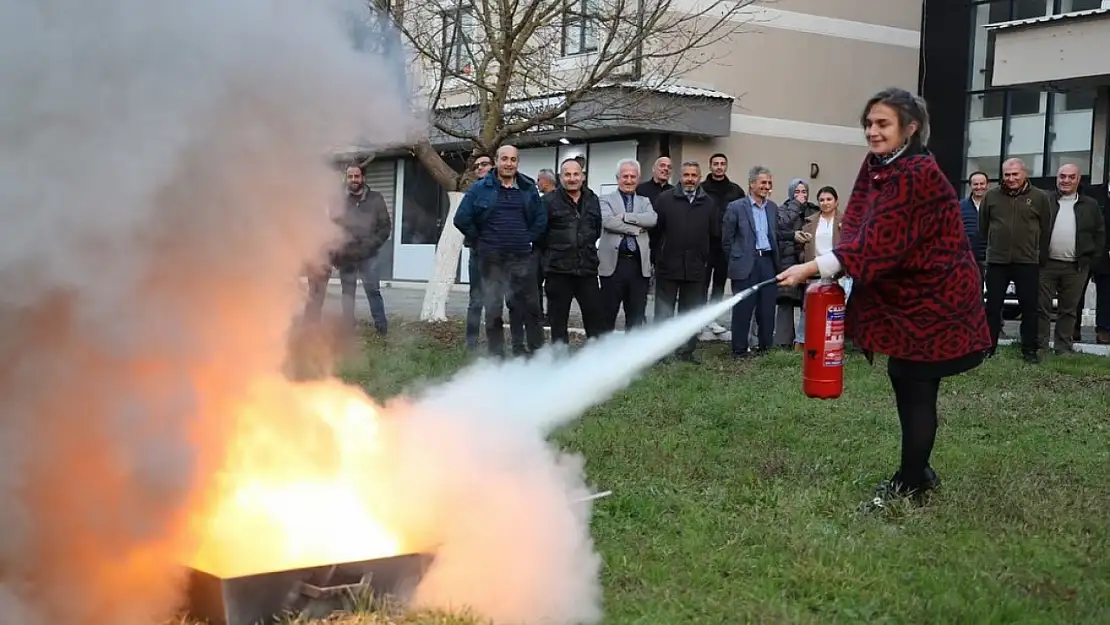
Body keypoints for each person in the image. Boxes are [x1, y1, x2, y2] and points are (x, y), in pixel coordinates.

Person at [777, 87, 990, 503]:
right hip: (906, 295)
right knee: (905, 378)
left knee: (917, 382)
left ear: (910, 129)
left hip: (937, 298)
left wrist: (814, 267)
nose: (873, 133)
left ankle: (913, 480)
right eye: (869, 124)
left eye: (883, 124)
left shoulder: (917, 174)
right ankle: (917, 470)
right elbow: (858, 218)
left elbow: (880, 244)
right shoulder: (878, 164)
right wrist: (837, 265)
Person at [453, 145, 547, 358]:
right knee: (493, 308)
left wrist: (528, 238)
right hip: (492, 259)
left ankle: (533, 353)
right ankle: (497, 356)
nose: (508, 163)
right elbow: (461, 218)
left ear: (517, 163)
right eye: (504, 159)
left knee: (529, 307)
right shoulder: (480, 188)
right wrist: (481, 240)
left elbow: (540, 218)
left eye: (513, 160)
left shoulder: (528, 187)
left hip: (522, 257)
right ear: (496, 161)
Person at [304, 164, 392, 335]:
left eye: (356, 176)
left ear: (363, 178)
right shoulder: (340, 201)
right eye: (350, 176)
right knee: (348, 293)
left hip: (369, 254)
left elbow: (385, 227)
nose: (353, 180)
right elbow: (333, 227)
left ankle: (382, 328)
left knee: (373, 290)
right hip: (347, 255)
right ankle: (348, 327)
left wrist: (370, 244)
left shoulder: (376, 199)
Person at [980, 158, 1052, 363]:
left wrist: (1039, 255)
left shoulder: (1040, 197)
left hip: (1027, 261)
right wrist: (997, 244)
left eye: (1015, 174)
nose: (1011, 178)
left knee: (1029, 308)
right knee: (992, 307)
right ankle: (988, 348)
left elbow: (1046, 228)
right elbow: (983, 226)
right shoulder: (991, 196)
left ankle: (1029, 350)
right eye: (1007, 174)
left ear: (1024, 173)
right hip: (997, 261)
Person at [652, 160, 718, 364]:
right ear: (680, 176)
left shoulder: (709, 202)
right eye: (686, 175)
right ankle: (660, 353)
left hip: (696, 267)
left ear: (699, 178)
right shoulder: (664, 199)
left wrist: (705, 259)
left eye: (694, 175)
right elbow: (655, 232)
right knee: (664, 312)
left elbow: (714, 234)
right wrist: (659, 258)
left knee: (690, 313)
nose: (690, 179)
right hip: (668, 265)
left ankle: (686, 351)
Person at [538, 158, 605, 344]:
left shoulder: (592, 199)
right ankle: (560, 363)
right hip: (558, 271)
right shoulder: (548, 202)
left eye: (576, 174)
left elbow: (596, 229)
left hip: (587, 270)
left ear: (583, 177)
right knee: (558, 322)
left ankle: (595, 360)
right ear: (560, 177)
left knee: (594, 319)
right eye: (567, 174)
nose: (572, 178)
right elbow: (540, 235)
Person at [723, 165, 781, 358]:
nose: (767, 186)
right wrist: (737, 260)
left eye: (769, 183)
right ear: (751, 184)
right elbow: (727, 240)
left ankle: (765, 348)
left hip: (767, 263)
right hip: (745, 264)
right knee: (743, 309)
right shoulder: (736, 207)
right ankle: (739, 350)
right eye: (763, 182)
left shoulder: (773, 208)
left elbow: (775, 235)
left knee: (767, 309)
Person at [599, 158, 656, 331]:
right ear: (618, 178)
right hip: (614, 265)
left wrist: (625, 217)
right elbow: (608, 222)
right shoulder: (605, 200)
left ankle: (631, 354)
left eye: (633, 176)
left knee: (636, 315)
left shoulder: (645, 201)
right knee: (607, 314)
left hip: (638, 267)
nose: (629, 180)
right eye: (625, 176)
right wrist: (636, 229)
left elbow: (652, 219)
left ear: (638, 179)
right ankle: (603, 353)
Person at [793, 186, 843, 350]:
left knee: (834, 308)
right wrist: (804, 260)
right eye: (822, 200)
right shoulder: (810, 222)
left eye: (829, 199)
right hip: (815, 269)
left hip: (837, 270)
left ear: (836, 201)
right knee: (809, 306)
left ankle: (832, 342)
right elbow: (799, 248)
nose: (825, 203)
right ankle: (801, 342)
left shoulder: (846, 222)